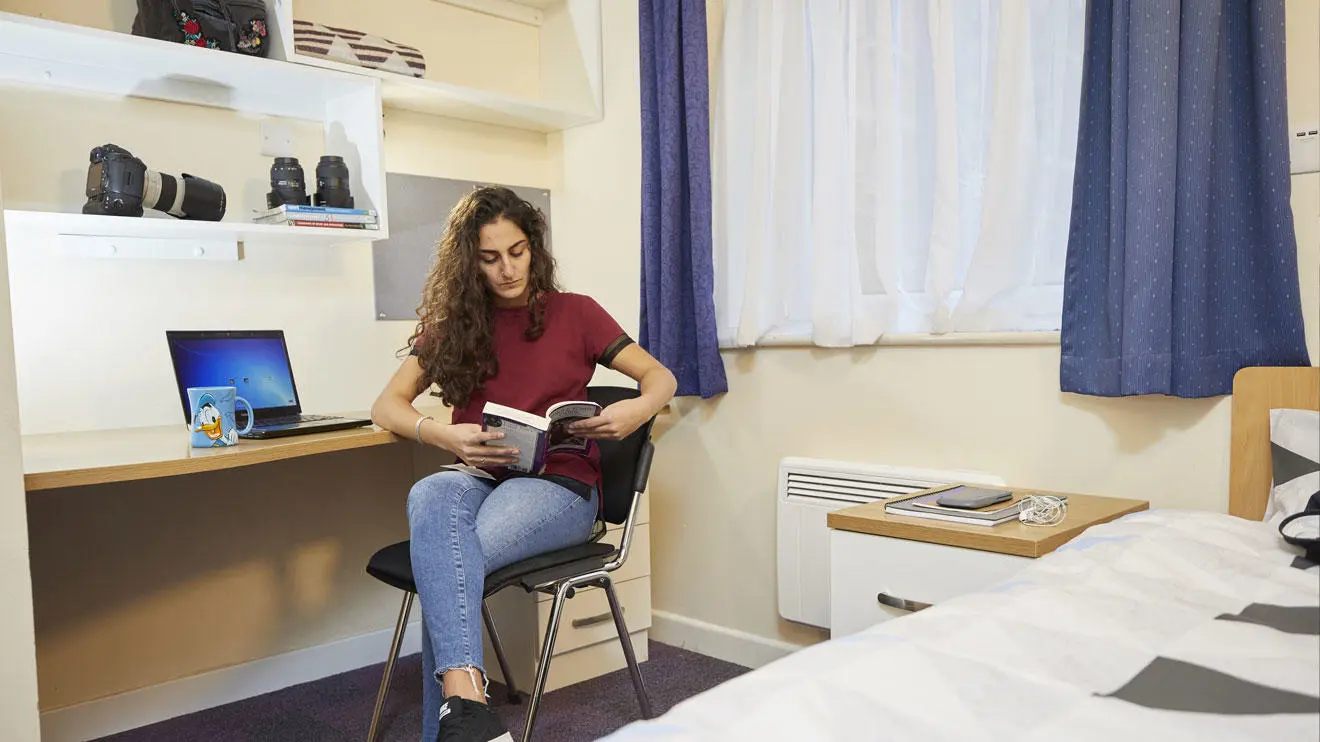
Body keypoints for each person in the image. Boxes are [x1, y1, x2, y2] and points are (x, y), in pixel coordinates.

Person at [371, 186, 677, 742]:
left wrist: (636, 409)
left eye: (516, 252)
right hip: (480, 474)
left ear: (533, 247)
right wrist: (445, 435)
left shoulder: (576, 313)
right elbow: (386, 405)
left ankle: (453, 724)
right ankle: (467, 711)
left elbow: (662, 378)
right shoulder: (456, 324)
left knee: (447, 562)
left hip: (559, 487)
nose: (507, 269)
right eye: (489, 258)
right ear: (470, 263)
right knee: (429, 498)